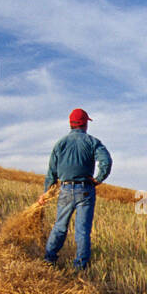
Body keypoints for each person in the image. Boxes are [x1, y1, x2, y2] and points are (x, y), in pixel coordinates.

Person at [38, 107, 112, 271]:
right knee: (82, 230)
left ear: (70, 124)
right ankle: (80, 267)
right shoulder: (93, 142)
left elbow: (52, 172)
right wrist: (98, 179)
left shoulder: (60, 143)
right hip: (86, 190)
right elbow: (106, 161)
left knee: (59, 227)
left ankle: (49, 260)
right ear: (85, 124)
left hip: (65, 190)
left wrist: (46, 193)